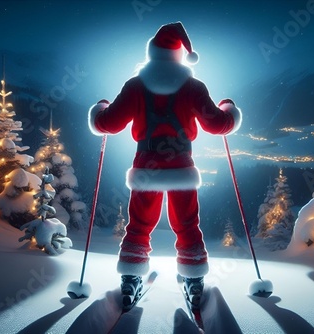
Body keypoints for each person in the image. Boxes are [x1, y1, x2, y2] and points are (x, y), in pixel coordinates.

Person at [88, 22, 242, 309]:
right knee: (186, 224)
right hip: (182, 166)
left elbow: (106, 124)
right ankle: (193, 278)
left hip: (146, 167)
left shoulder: (136, 85)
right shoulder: (193, 87)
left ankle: (131, 277)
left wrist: (100, 108)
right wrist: (228, 108)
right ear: (180, 57)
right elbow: (219, 125)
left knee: (139, 224)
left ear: (152, 54)